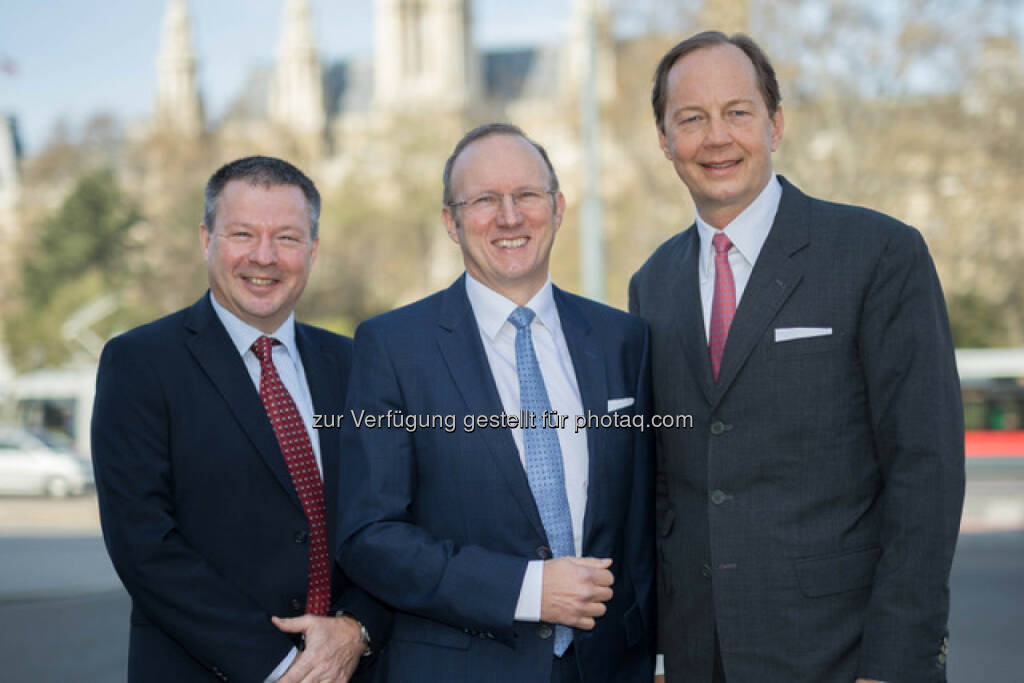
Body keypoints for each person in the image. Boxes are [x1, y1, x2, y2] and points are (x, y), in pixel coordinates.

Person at [629, 32, 965, 683]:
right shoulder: (652, 284)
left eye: (738, 111)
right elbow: (668, 486)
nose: (716, 137)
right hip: (701, 660)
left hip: (843, 658)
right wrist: (665, 649)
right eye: (691, 119)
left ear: (775, 125)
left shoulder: (878, 255)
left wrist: (894, 664)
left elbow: (926, 472)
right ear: (665, 142)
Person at [337, 123, 656, 682]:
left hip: (611, 669)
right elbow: (369, 535)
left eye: (526, 195)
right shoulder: (392, 348)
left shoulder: (622, 339)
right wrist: (527, 590)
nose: (509, 217)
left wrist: (658, 655)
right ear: (450, 222)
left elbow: (647, 515)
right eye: (484, 199)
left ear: (557, 208)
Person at [92, 156, 388, 682]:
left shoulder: (357, 364)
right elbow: (144, 545)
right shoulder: (139, 363)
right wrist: (284, 668)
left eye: (288, 239)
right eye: (243, 234)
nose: (264, 257)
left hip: (351, 668)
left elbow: (392, 515)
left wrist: (357, 625)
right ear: (206, 240)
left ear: (313, 251)